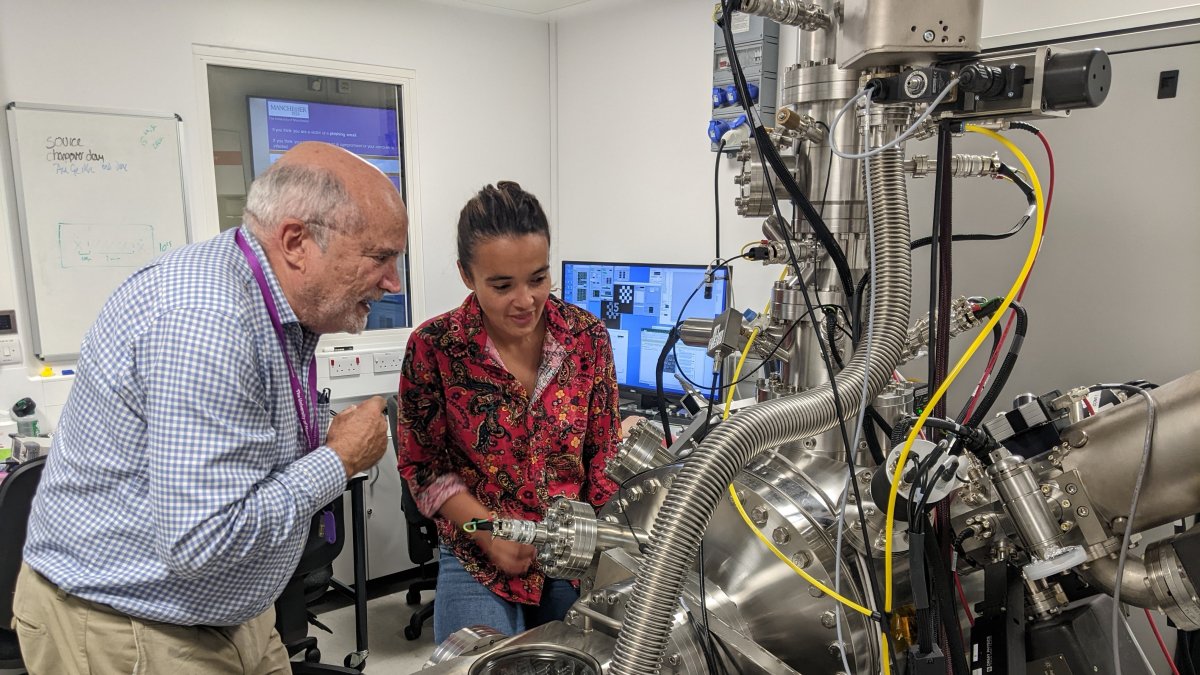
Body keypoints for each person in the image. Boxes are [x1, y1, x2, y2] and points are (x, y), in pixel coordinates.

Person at [13, 141, 405, 675]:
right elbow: (205, 540)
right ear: (296, 242)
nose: (393, 282)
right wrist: (339, 460)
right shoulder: (207, 322)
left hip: (226, 613)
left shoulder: (273, 306)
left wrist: (318, 435)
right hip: (128, 627)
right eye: (380, 256)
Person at [397, 181, 621, 643]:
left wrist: (608, 553)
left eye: (538, 278)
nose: (525, 301)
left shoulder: (587, 338)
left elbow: (602, 456)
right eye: (502, 285)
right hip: (477, 551)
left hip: (571, 550)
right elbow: (423, 468)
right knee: (475, 662)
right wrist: (487, 532)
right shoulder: (435, 347)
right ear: (466, 275)